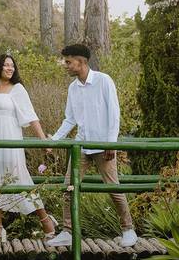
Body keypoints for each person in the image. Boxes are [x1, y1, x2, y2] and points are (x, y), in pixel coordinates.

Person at [45, 44, 138, 248]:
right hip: (81, 146)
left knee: (113, 188)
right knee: (69, 187)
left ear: (82, 62)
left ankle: (128, 230)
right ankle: (68, 232)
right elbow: (70, 119)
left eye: (69, 62)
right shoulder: (73, 88)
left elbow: (114, 114)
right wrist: (54, 141)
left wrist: (110, 143)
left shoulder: (104, 81)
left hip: (104, 146)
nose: (66, 65)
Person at [0, 54, 56, 242]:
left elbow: (31, 116)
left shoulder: (17, 89)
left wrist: (44, 142)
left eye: (12, 66)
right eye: (6, 65)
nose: (10, 68)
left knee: (21, 180)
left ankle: (47, 223)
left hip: (11, 141)